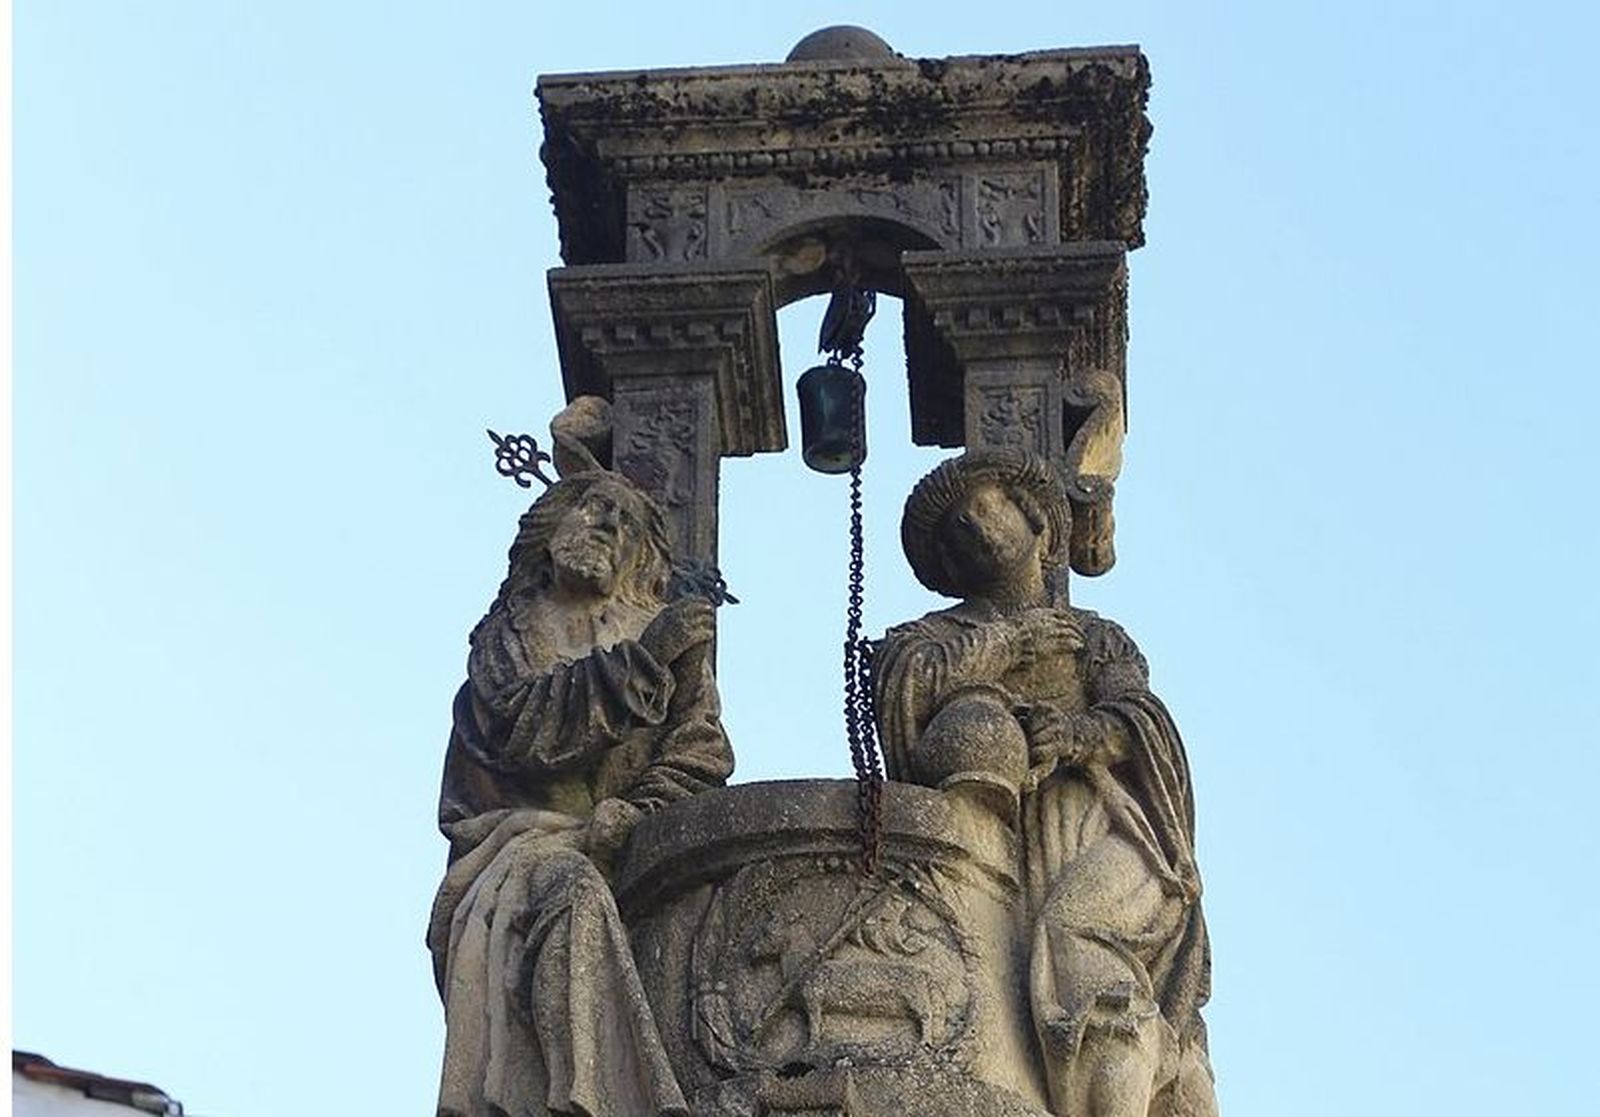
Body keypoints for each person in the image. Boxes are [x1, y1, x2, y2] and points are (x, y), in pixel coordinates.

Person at [874, 447, 1216, 1117]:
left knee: (1075, 934)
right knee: (1032, 969)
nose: (967, 528)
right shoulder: (933, 636)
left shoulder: (1096, 639)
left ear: (1033, 516)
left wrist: (1079, 737)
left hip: (1106, 822)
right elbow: (900, 686)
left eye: (980, 507)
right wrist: (1007, 648)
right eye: (951, 531)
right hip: (998, 839)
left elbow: (1140, 718)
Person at [427, 406, 732, 1117]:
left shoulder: (658, 633)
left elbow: (701, 750)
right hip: (518, 848)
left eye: (625, 524)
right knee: (572, 896)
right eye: (593, 508)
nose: (605, 526)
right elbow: (519, 728)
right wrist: (643, 663)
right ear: (550, 528)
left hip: (637, 847)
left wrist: (641, 811)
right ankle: (595, 1101)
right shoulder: (512, 630)